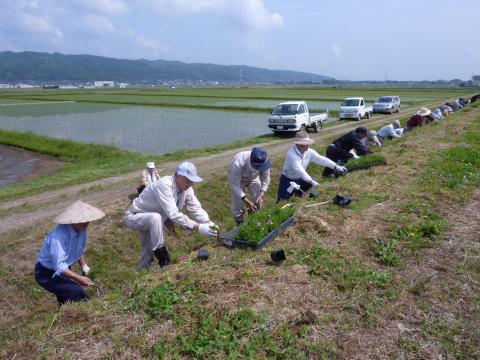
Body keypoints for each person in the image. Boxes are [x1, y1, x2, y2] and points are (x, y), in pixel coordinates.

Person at [124, 162, 218, 271]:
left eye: (192, 181)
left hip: (153, 222)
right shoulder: (164, 184)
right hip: (134, 216)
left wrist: (208, 222)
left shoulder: (187, 189)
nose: (190, 183)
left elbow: (195, 207)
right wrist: (198, 227)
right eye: (188, 180)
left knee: (148, 254)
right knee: (155, 217)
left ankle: (141, 276)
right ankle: (164, 260)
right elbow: (173, 213)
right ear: (178, 175)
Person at [34, 200, 105, 306]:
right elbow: (59, 266)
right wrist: (78, 278)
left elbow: (78, 250)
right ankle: (87, 309)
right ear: (72, 221)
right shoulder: (58, 237)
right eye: (81, 220)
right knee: (75, 291)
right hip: (46, 273)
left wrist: (84, 266)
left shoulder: (81, 229)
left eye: (87, 220)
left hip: (64, 268)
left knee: (66, 297)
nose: (85, 223)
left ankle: (63, 316)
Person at [277, 131, 347, 201]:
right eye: (305, 144)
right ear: (299, 144)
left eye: (308, 143)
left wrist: (336, 167)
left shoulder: (309, 152)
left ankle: (297, 199)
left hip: (300, 178)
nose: (308, 145)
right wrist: (310, 181)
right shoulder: (291, 154)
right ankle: (282, 207)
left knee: (311, 180)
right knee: (282, 200)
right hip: (288, 179)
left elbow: (322, 159)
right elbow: (299, 170)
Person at [228, 147, 271, 224]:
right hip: (239, 180)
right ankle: (239, 222)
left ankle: (253, 220)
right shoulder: (239, 162)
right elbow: (235, 185)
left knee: (257, 199)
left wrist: (262, 194)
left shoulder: (264, 160)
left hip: (254, 177)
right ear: (251, 162)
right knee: (237, 204)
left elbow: (266, 178)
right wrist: (246, 200)